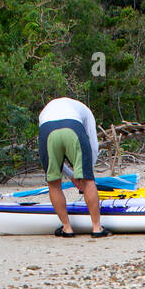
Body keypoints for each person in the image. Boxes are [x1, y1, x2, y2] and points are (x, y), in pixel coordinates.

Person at [37, 97, 106, 237]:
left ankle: (67, 228)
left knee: (53, 182)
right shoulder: (86, 111)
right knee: (88, 181)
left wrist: (72, 175)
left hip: (47, 129)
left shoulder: (44, 112)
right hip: (72, 126)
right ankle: (97, 228)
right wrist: (86, 172)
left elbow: (56, 165)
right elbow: (93, 144)